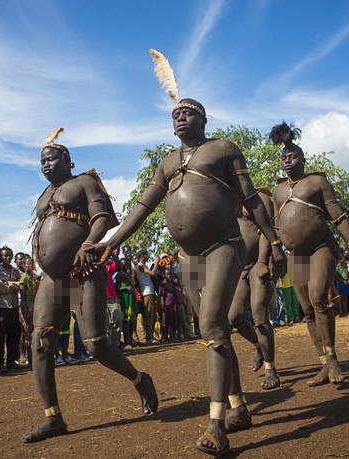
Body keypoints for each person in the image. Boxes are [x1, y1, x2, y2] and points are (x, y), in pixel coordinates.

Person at [94, 90, 286, 455]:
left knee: (212, 326)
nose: (180, 117)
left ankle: (217, 425)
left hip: (224, 245)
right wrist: (112, 241)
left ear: (204, 119)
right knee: (216, 330)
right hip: (189, 257)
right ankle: (238, 407)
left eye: (188, 112)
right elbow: (143, 205)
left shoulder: (224, 149)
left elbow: (250, 199)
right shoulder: (168, 162)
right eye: (175, 114)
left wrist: (274, 243)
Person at [21, 127, 157, 443]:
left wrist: (89, 242)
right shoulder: (44, 196)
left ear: (67, 160)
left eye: (51, 158)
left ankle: (139, 380)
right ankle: (53, 417)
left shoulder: (84, 182)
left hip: (83, 272)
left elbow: (104, 218)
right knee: (40, 342)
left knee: (96, 344)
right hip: (54, 279)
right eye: (42, 161)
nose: (45, 165)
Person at [269, 121, 349, 387]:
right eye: (284, 157)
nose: (288, 160)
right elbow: (275, 226)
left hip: (321, 248)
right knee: (307, 309)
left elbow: (338, 217)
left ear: (303, 158)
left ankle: (333, 360)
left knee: (318, 296)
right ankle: (323, 363)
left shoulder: (317, 182)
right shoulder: (278, 191)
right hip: (296, 256)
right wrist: (273, 255)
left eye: (293, 156)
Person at [227, 188, 280, 389]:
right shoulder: (225, 200)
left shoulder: (259, 199)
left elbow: (268, 230)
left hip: (258, 263)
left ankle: (270, 369)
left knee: (259, 313)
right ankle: (259, 346)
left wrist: (262, 261)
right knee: (235, 318)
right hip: (239, 267)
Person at [0, 246, 22, 371]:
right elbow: (0, 287)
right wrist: (15, 285)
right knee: (0, 336)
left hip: (14, 307)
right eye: (5, 255)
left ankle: (12, 360)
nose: (8, 258)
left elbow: (23, 283)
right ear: (0, 257)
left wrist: (9, 284)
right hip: (2, 307)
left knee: (14, 335)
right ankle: (0, 362)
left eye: (10, 255)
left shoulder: (15, 271)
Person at [135, 249, 160, 344]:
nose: (148, 256)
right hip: (147, 293)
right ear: (142, 255)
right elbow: (153, 273)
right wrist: (156, 262)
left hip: (149, 292)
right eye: (147, 255)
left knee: (151, 314)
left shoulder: (141, 266)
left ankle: (150, 335)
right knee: (149, 314)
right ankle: (149, 337)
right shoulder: (141, 266)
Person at [19, 255, 39, 368]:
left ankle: (35, 360)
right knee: (28, 335)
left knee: (34, 334)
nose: (30, 265)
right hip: (27, 308)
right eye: (28, 264)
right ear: (23, 265)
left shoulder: (34, 278)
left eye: (32, 263)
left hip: (35, 307)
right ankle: (30, 360)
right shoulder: (24, 279)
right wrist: (24, 311)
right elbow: (22, 296)